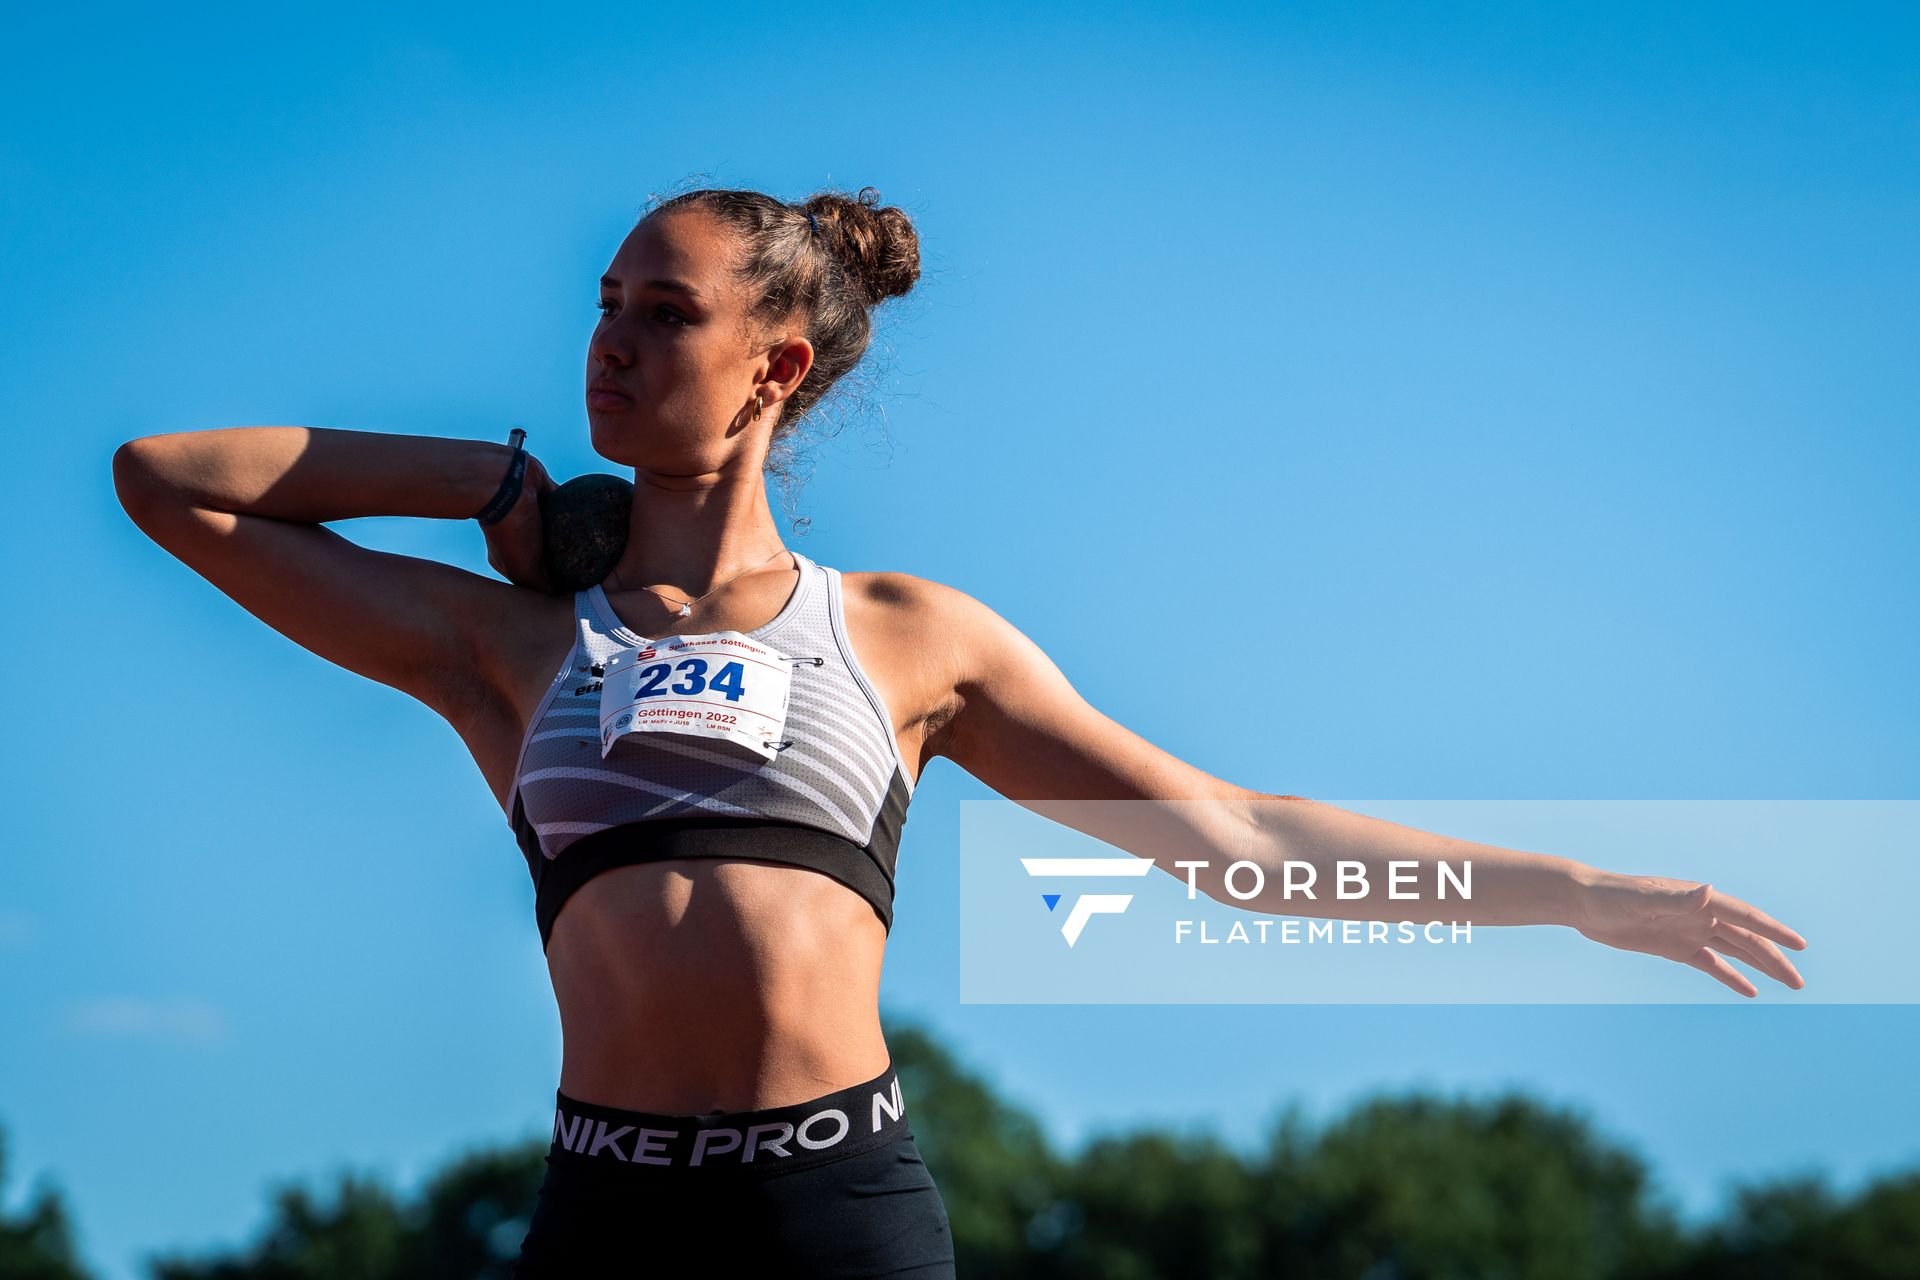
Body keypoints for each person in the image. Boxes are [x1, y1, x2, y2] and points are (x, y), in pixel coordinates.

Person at [111, 183, 1809, 1274]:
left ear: (777, 368)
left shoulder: (910, 636)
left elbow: (1245, 844)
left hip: (830, 1211)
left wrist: (1581, 892)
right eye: (607, 302)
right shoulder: (510, 643)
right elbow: (169, 484)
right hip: (602, 1214)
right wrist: (490, 480)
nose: (611, 342)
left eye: (664, 315)